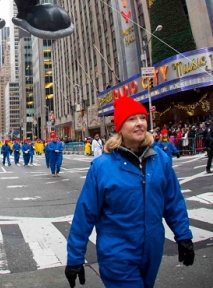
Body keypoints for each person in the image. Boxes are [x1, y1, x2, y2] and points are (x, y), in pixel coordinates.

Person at [65, 95, 194, 287]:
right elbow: (85, 213)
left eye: (142, 118)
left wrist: (183, 235)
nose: (140, 123)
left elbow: (173, 201)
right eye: (132, 119)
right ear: (120, 127)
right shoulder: (102, 167)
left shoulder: (161, 159)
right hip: (117, 254)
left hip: (152, 251)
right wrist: (75, 256)